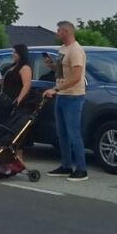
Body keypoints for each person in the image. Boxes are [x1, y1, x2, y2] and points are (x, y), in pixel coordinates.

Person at [43, 21, 88, 181]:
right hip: (62, 94)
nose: (57, 33)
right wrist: (52, 66)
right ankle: (66, 165)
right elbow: (62, 72)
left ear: (67, 32)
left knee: (73, 133)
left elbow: (76, 76)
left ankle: (81, 169)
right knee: (61, 132)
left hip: (73, 96)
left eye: (59, 31)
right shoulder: (63, 49)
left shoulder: (76, 50)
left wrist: (55, 89)